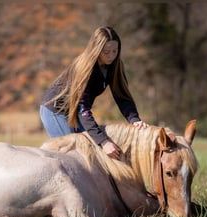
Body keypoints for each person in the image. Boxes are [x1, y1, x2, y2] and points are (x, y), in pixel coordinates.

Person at [40, 26, 148, 159]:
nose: (111, 56)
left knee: (91, 153)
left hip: (76, 112)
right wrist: (104, 141)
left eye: (115, 51)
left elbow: (122, 96)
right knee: (75, 155)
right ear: (96, 50)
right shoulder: (85, 68)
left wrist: (134, 120)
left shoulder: (115, 66)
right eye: (106, 52)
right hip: (56, 110)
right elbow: (83, 109)